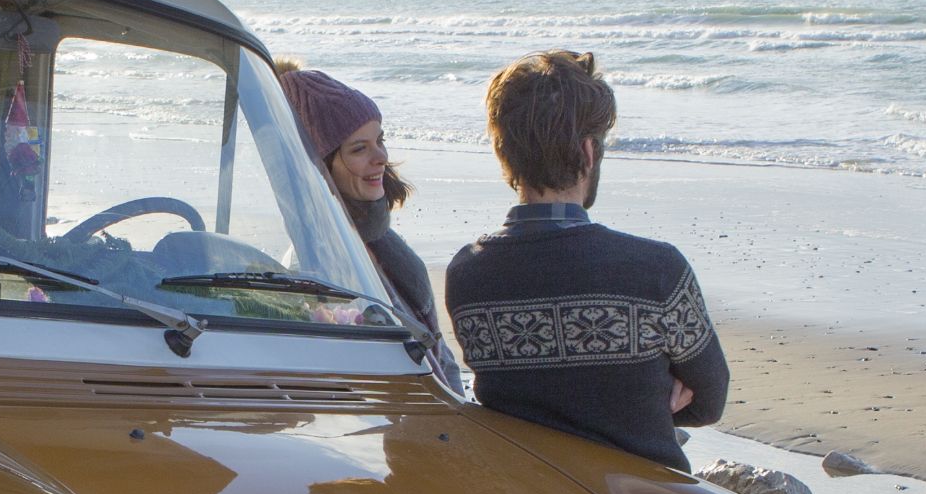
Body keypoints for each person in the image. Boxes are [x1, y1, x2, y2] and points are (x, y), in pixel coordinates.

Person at [442, 50, 729, 471]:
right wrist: (646, 399)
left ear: (506, 153)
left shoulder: (468, 272)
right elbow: (709, 401)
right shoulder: (655, 270)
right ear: (589, 152)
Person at [276, 62, 455, 381]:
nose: (381, 157)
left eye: (379, 140)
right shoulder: (316, 268)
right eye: (359, 148)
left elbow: (439, 349)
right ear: (321, 167)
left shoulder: (378, 240)